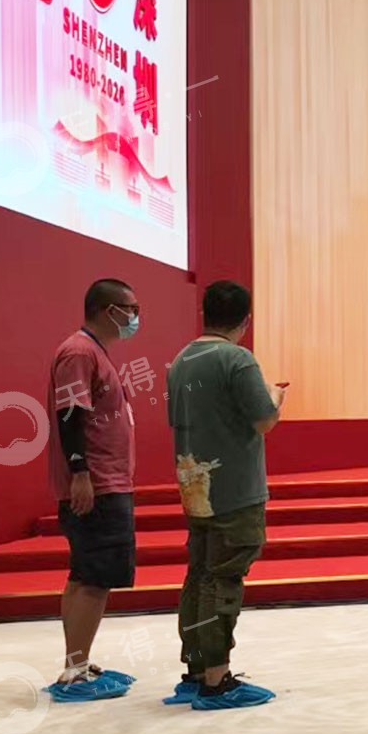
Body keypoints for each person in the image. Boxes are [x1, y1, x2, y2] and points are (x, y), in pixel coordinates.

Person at [164, 281, 285, 711]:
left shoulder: (181, 360)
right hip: (234, 488)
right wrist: (276, 396)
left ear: (205, 313)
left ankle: (197, 671)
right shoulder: (237, 359)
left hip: (194, 485)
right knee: (225, 577)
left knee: (199, 575)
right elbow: (263, 419)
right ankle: (218, 679)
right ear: (245, 321)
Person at [44, 278, 143, 702]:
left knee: (85, 574)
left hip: (103, 481)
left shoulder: (93, 353)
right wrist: (80, 473)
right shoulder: (80, 353)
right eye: (131, 308)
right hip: (98, 485)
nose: (135, 317)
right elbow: (70, 415)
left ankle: (77, 661)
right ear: (108, 310)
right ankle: (76, 671)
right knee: (95, 579)